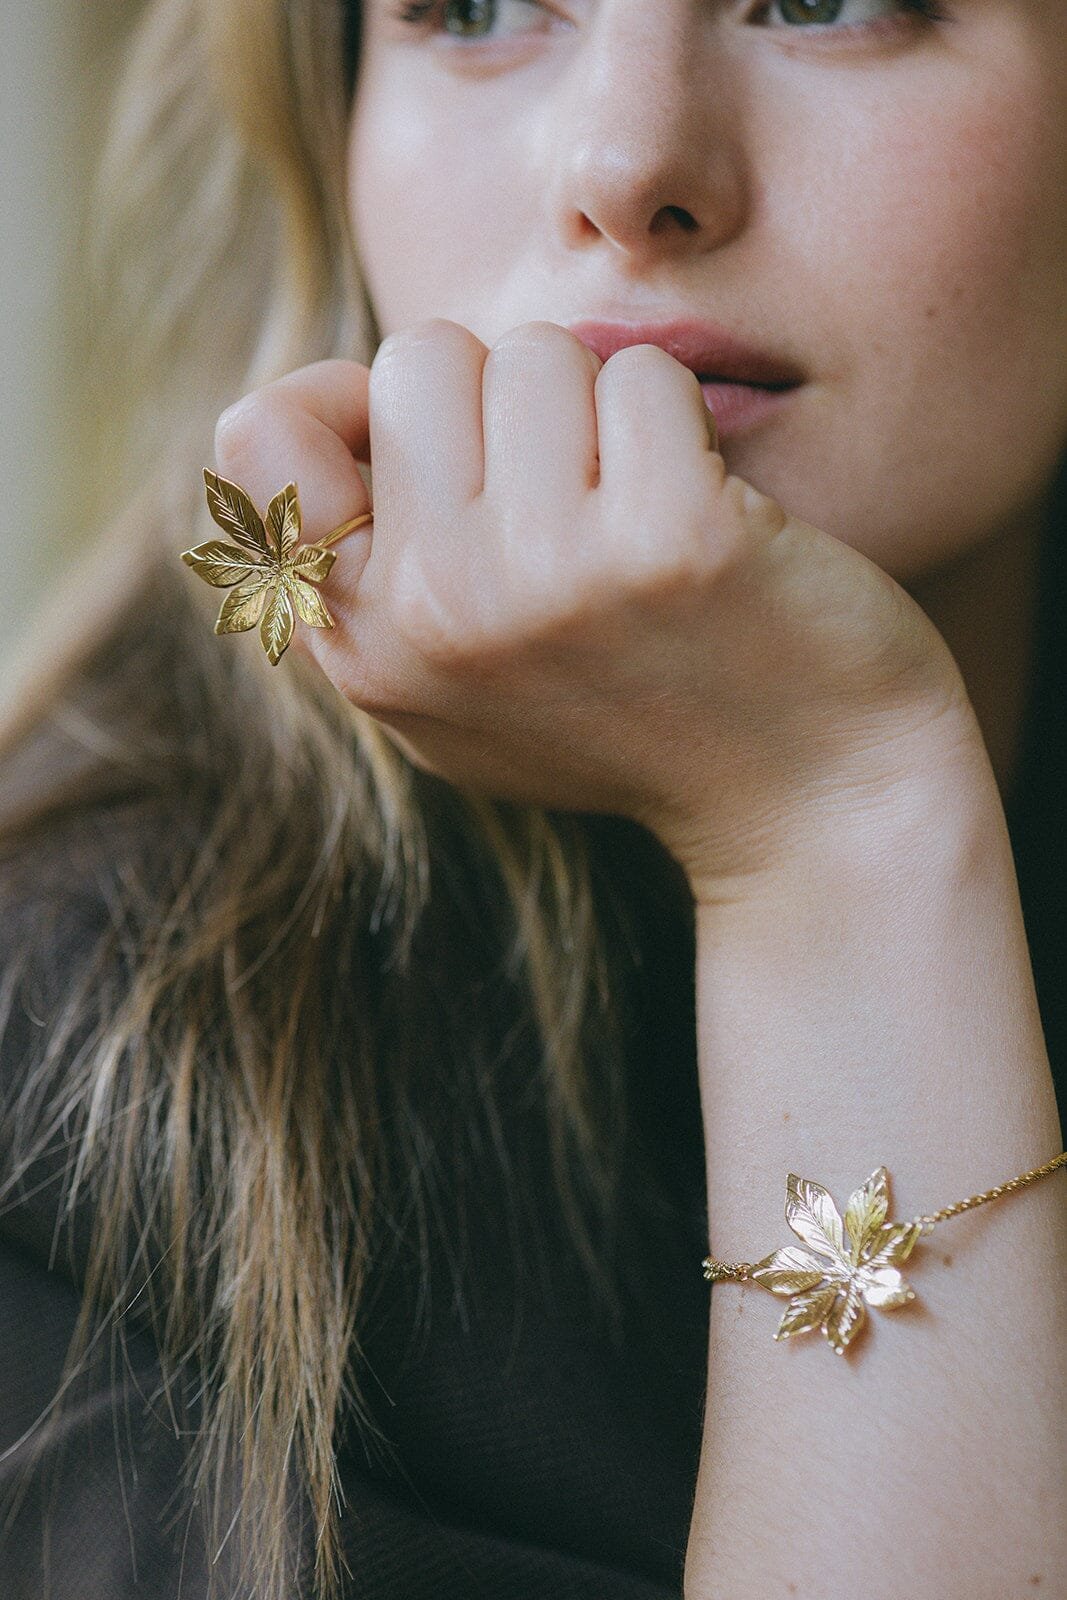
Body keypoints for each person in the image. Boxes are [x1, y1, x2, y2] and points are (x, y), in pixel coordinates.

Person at [1, 0, 1065, 1595]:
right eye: (479, 8)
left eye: (829, 0)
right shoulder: (75, 1085)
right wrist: (833, 838)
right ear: (334, 115)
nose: (625, 163)